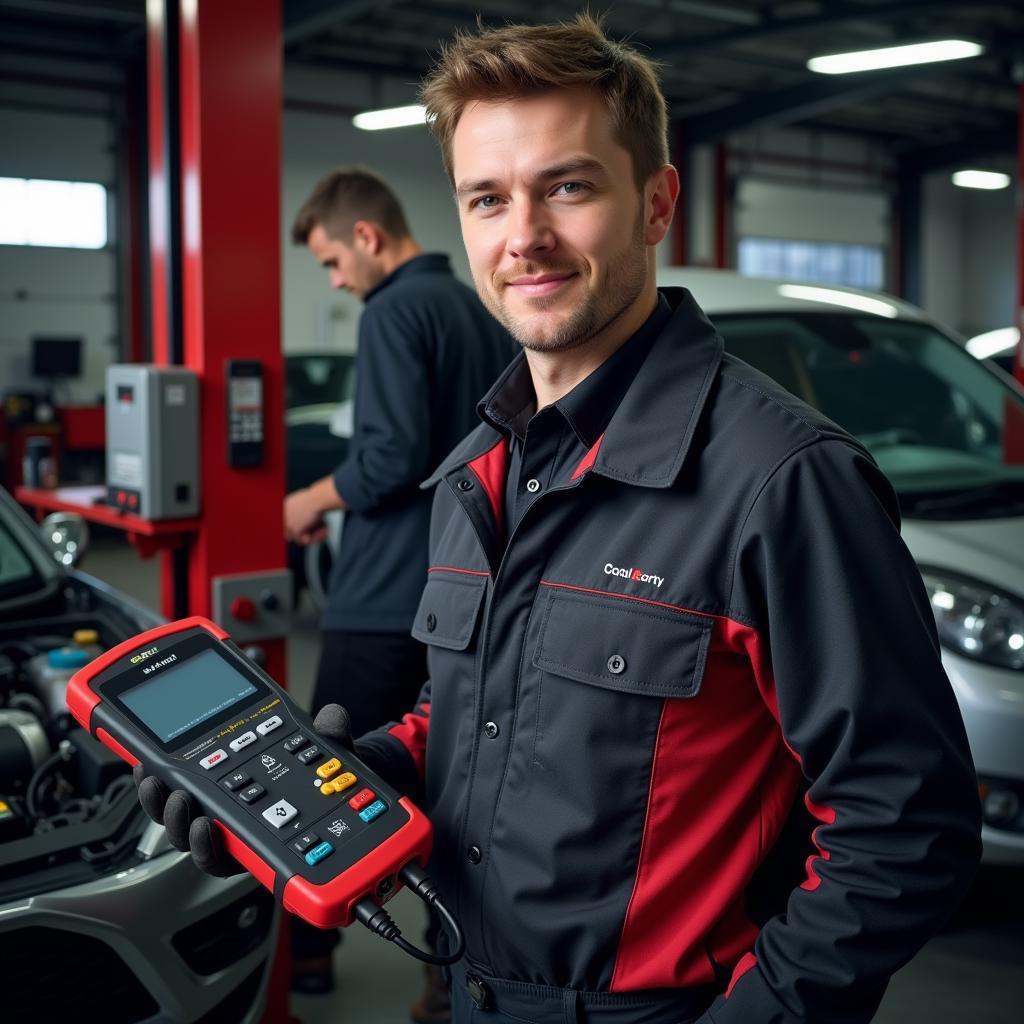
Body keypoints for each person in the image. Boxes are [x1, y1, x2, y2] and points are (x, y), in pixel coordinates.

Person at [139, 16, 982, 1024]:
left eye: (568, 187)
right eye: (488, 198)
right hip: (470, 992)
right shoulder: (479, 471)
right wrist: (375, 766)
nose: (523, 236)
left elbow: (907, 822)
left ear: (656, 202)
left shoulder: (782, 481)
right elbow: (482, 714)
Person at [283, 168, 513, 1016]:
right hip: (463, 587)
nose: (336, 281)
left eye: (331, 263)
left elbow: (387, 460)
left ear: (368, 238)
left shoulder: (392, 312)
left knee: (320, 779)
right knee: (450, 789)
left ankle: (303, 958)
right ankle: (442, 980)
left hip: (380, 599)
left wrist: (307, 500)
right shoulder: (474, 308)